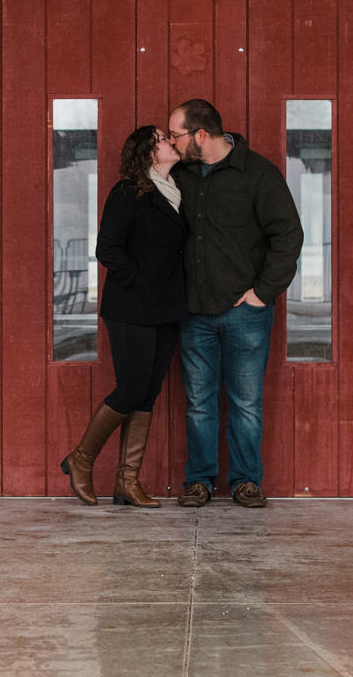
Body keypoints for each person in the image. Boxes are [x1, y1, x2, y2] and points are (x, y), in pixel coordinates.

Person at [167, 98, 303, 509]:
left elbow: (288, 236)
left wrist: (262, 293)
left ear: (201, 135)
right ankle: (200, 482)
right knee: (198, 404)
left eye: (176, 135)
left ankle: (246, 481)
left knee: (246, 403)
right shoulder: (181, 176)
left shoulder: (258, 174)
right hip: (194, 312)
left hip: (246, 314)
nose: (172, 143)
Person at [60, 125, 188, 507]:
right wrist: (141, 282)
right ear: (149, 153)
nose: (171, 142)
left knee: (147, 394)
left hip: (167, 308)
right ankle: (80, 459)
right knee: (130, 389)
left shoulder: (177, 191)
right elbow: (108, 249)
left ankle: (126, 482)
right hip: (132, 306)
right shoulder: (128, 192)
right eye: (164, 139)